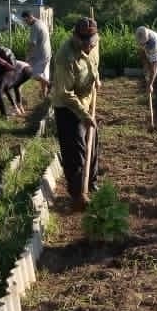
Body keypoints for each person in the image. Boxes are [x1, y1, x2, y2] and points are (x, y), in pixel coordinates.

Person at [51, 18, 101, 212]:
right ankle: (78, 194)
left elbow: (96, 62)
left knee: (93, 142)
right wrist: (83, 114)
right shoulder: (65, 57)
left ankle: (91, 183)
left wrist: (96, 78)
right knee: (75, 151)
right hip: (67, 106)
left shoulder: (95, 44)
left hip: (87, 101)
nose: (89, 47)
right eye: (85, 43)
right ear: (76, 38)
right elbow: (65, 93)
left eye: (92, 42)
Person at [21, 10, 52, 98]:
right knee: (44, 75)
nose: (26, 23)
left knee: (32, 73)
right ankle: (44, 95)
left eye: (26, 21)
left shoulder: (35, 27)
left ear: (30, 17)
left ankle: (50, 85)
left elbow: (32, 44)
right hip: (47, 52)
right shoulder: (41, 22)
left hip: (41, 55)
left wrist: (28, 56)